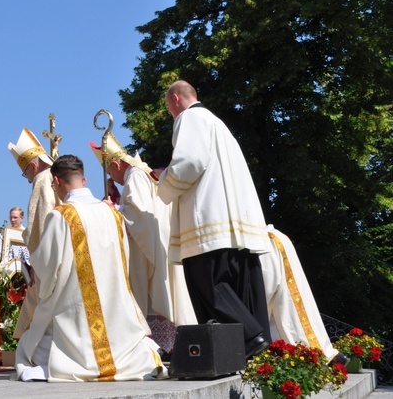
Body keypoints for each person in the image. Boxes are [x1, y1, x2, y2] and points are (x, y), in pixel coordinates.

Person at [15, 155, 167, 382]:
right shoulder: (113, 213)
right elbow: (124, 257)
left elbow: (47, 268)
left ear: (56, 181)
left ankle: (77, 362)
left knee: (28, 348)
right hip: (116, 314)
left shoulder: (61, 215)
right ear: (84, 180)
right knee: (128, 347)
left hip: (76, 317)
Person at [157, 80, 272, 358]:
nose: (170, 113)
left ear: (175, 98)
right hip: (234, 226)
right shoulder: (217, 123)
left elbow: (189, 163)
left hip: (207, 223)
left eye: (168, 107)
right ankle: (252, 352)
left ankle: (251, 337)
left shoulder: (189, 117)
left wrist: (162, 184)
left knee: (210, 287)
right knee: (239, 289)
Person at [90, 134, 197, 358]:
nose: (112, 177)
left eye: (110, 171)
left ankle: (160, 347)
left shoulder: (136, 176)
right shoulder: (139, 174)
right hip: (155, 243)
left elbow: (138, 214)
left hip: (146, 250)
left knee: (148, 297)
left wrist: (110, 209)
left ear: (117, 164)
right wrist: (118, 200)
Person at [263, 225, 349, 366]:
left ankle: (312, 354)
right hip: (267, 239)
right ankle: (315, 353)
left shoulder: (273, 238)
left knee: (288, 304)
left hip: (263, 241)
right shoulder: (276, 237)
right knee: (288, 303)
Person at [8, 127, 61, 339]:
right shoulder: (57, 176)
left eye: (25, 173)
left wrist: (35, 261)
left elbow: (40, 223)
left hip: (47, 257)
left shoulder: (41, 180)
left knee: (40, 303)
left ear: (32, 165)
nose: (28, 179)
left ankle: (31, 351)